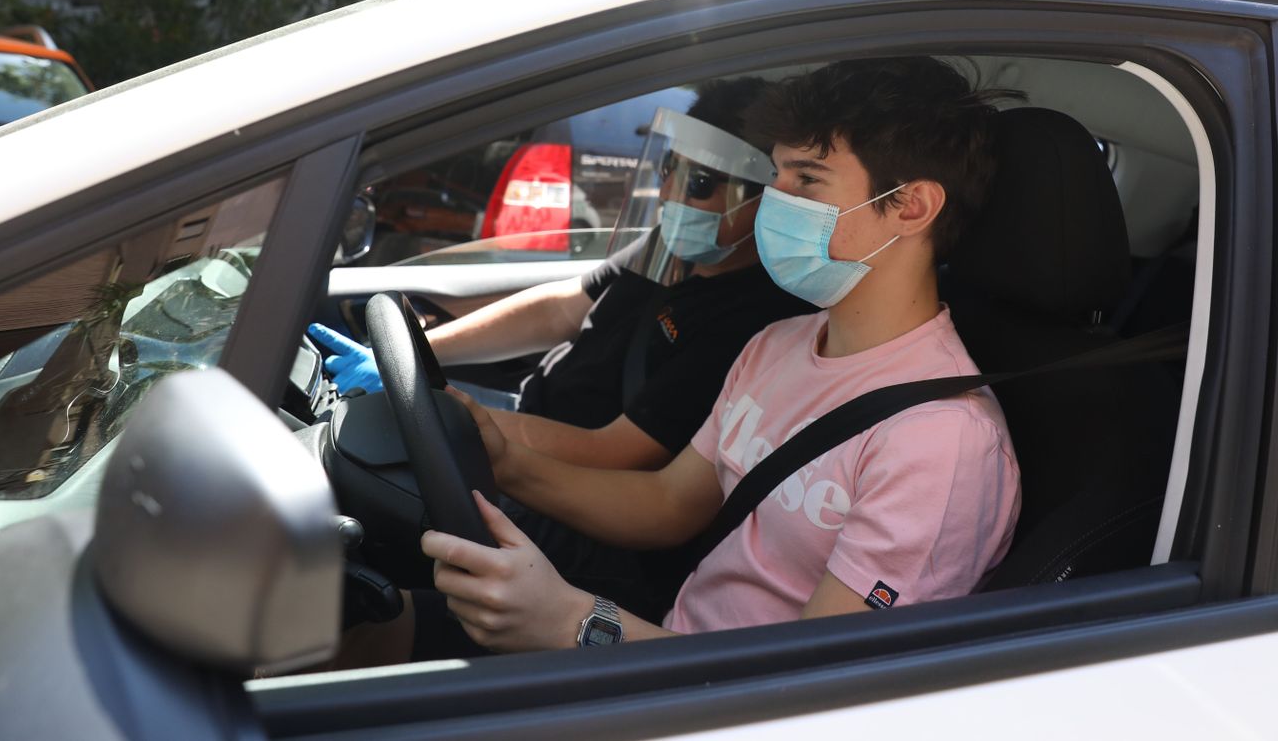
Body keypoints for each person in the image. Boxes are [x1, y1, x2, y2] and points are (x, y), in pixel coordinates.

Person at [333, 57, 1022, 664]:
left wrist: (571, 622)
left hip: (709, 705)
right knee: (361, 626)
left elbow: (810, 686)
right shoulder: (779, 345)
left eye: (808, 180)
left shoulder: (940, 441)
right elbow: (668, 503)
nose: (774, 201)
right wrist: (507, 461)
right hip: (668, 646)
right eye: (775, 174)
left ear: (911, 206)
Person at [313, 77, 810, 615]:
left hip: (579, 510)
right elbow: (562, 308)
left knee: (362, 566)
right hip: (525, 434)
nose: (670, 193)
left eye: (701, 182)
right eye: (671, 167)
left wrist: (439, 408)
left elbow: (611, 451)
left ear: (765, 200)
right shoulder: (675, 248)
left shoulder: (751, 320)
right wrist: (420, 356)